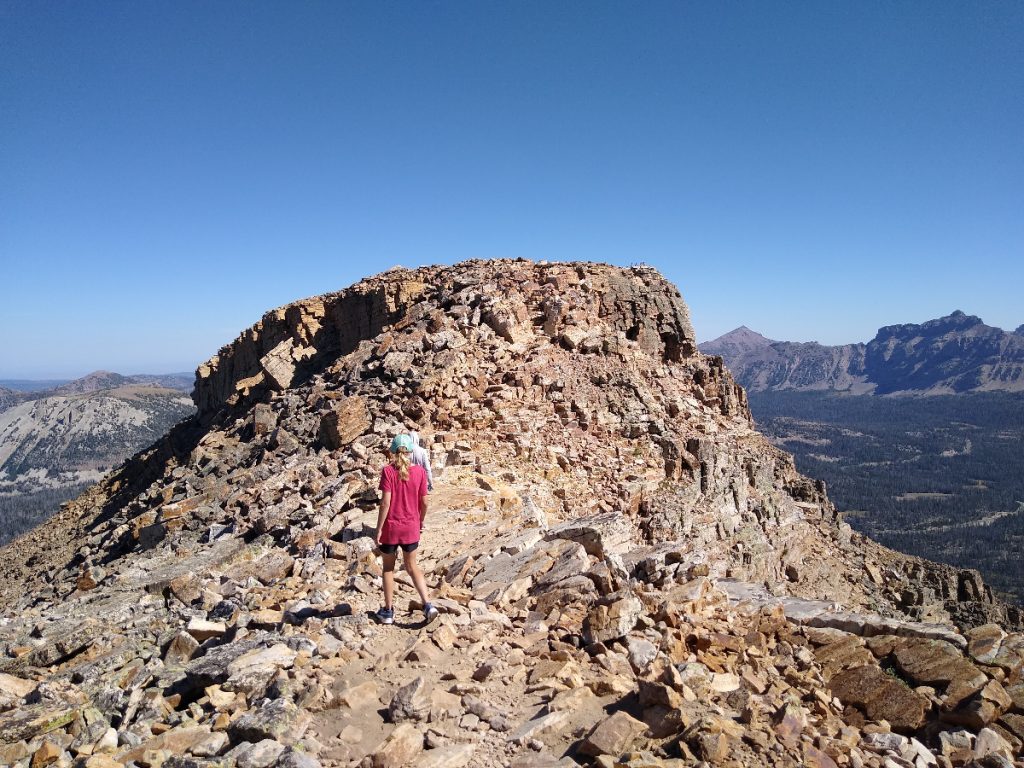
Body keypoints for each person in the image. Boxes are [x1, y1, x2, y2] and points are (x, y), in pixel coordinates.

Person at [373, 433, 438, 625]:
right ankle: (427, 604)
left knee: (388, 568)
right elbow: (424, 502)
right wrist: (420, 521)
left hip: (391, 528)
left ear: (392, 452)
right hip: (411, 527)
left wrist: (378, 529)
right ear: (411, 451)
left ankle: (388, 611)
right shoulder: (419, 472)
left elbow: (385, 503)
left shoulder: (388, 471)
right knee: (412, 567)